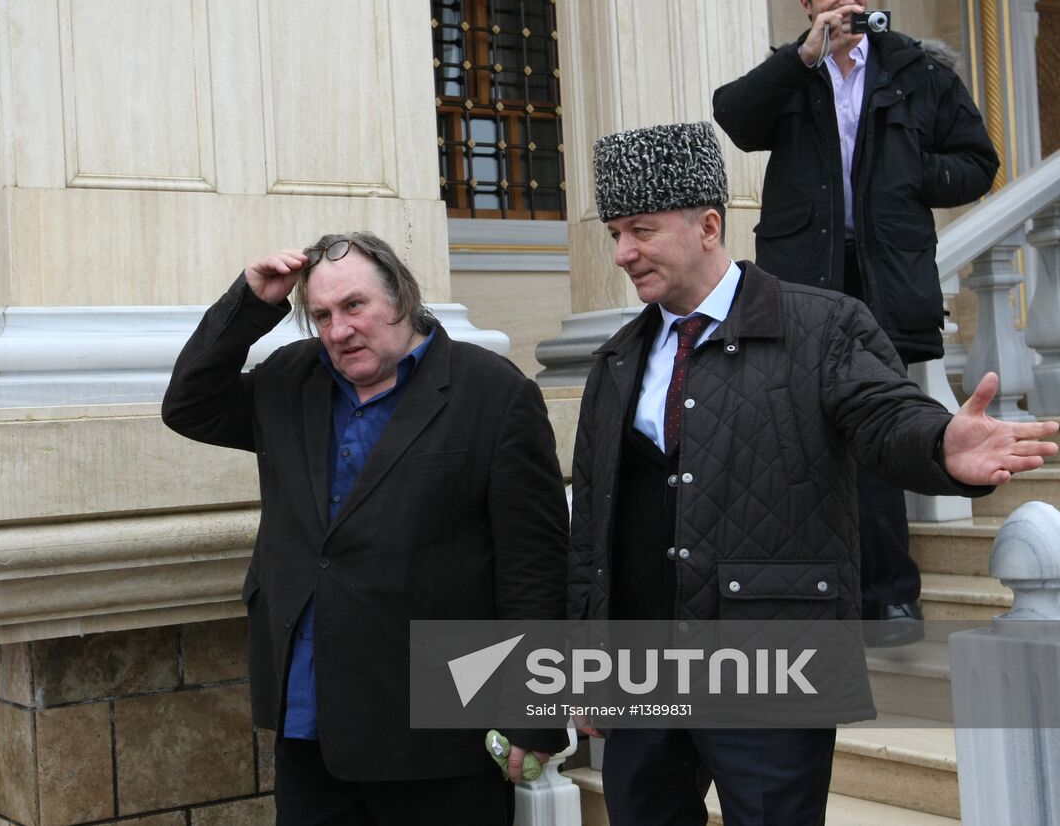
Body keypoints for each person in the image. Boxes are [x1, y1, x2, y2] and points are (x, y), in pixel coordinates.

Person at [566, 121, 1055, 825]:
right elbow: (593, 535)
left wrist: (942, 443)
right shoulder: (615, 362)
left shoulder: (823, 327)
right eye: (615, 233)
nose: (622, 252)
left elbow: (887, 418)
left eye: (639, 230)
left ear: (708, 225)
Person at [163, 232, 569, 826]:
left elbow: (533, 566)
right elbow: (189, 405)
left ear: (401, 298)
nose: (337, 330)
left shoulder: (494, 393)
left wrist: (530, 711)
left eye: (354, 306)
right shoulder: (291, 378)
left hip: (438, 723)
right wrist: (252, 302)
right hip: (312, 723)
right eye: (322, 315)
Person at [712, 0, 1000, 641]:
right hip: (801, 278)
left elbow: (977, 163)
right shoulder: (792, 77)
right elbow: (734, 118)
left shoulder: (916, 69)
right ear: (807, 4)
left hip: (883, 278)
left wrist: (907, 173)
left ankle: (890, 594)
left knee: (877, 430)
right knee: (797, 437)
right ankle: (814, 596)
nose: (848, 1)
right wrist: (797, 60)